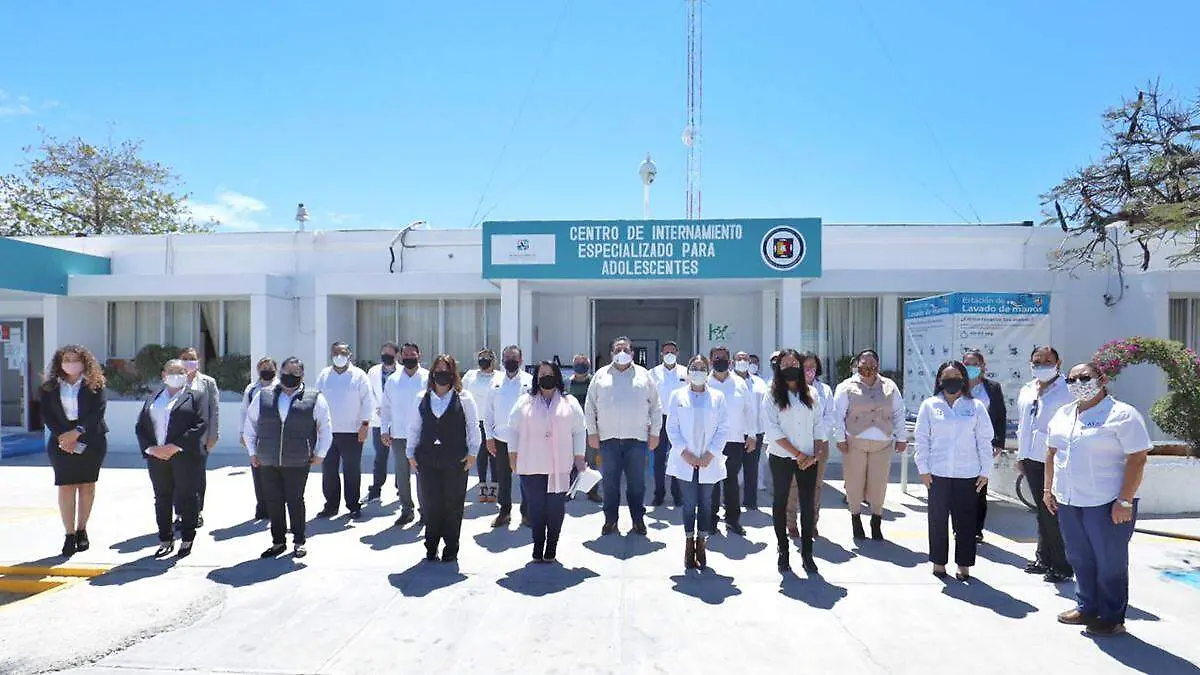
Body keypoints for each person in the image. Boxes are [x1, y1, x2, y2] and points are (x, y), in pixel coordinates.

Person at [1045, 362, 1151, 637]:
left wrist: (1125, 501)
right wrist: (1048, 490)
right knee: (1079, 557)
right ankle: (1087, 607)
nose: (1079, 383)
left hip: (1107, 503)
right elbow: (1052, 452)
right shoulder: (1063, 414)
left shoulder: (1122, 414)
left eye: (1085, 377)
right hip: (1069, 499)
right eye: (1072, 379)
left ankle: (1111, 616)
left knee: (1109, 561)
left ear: (1101, 379)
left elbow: (1138, 458)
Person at [244, 357, 333, 559]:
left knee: (295, 500)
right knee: (273, 501)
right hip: (268, 459)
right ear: (280, 372)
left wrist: (320, 454)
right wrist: (252, 451)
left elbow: (325, 428)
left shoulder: (314, 398)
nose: (289, 377)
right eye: (286, 372)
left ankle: (299, 541)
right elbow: (250, 425)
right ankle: (277, 542)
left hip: (298, 459)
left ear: (302, 375)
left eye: (295, 374)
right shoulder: (263, 396)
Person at [914, 361, 993, 581]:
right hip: (937, 473)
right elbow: (922, 439)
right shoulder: (930, 405)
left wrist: (985, 471)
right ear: (939, 380)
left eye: (956, 375)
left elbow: (984, 441)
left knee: (965, 523)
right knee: (938, 520)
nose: (952, 380)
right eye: (947, 376)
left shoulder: (975, 406)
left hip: (967, 474)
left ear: (964, 379)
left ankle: (964, 565)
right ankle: (939, 562)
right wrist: (923, 469)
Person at [508, 360, 587, 562]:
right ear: (536, 378)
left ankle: (551, 547)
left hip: (559, 467)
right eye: (542, 374)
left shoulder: (569, 402)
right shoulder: (525, 401)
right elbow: (513, 429)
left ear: (557, 376)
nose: (546, 377)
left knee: (555, 509)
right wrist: (512, 455)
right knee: (536, 508)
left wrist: (579, 457)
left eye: (550, 373)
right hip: (531, 465)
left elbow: (579, 431)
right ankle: (537, 545)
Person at [584, 336, 662, 536]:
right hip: (608, 440)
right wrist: (592, 432)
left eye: (626, 349)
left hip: (636, 440)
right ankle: (610, 520)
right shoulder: (600, 375)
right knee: (610, 483)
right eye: (617, 349)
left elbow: (655, 406)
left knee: (637, 483)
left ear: (632, 353)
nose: (622, 353)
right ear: (611, 353)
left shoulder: (644, 375)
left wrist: (654, 433)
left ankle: (638, 520)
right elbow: (590, 406)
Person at [407, 354, 480, 563]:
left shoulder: (464, 398)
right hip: (427, 459)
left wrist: (473, 453)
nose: (442, 373)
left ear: (453, 373)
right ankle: (431, 546)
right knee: (431, 504)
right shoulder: (421, 397)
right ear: (432, 373)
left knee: (453, 504)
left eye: (446, 369)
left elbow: (473, 428)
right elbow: (414, 427)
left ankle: (451, 547)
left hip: (454, 460)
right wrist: (410, 453)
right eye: (438, 369)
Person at [761, 349, 827, 574]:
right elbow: (773, 430)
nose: (790, 366)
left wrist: (816, 453)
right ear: (778, 368)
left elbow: (819, 426)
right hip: (782, 458)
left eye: (794, 363)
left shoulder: (811, 393)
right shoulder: (771, 395)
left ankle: (807, 553)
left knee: (807, 506)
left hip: (809, 459)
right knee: (780, 503)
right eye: (785, 363)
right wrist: (799, 455)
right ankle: (783, 550)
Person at [830, 349, 907, 541]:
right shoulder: (846, 386)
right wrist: (839, 439)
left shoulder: (889, 386)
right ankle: (856, 518)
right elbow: (837, 415)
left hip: (882, 442)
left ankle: (876, 519)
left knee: (878, 483)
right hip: (855, 441)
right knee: (854, 482)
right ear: (857, 365)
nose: (867, 370)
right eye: (863, 366)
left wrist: (902, 438)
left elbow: (899, 412)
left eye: (871, 366)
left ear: (877, 366)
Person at [41, 345, 108, 557]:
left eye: (75, 359)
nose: (71, 363)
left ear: (84, 362)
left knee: (87, 486)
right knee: (66, 486)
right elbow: (46, 414)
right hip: (60, 440)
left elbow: (98, 411)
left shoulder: (94, 384)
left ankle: (82, 530)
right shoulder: (50, 386)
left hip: (91, 439)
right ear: (60, 363)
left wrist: (77, 432)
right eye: (66, 359)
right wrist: (64, 436)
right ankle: (69, 534)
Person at [136, 359, 207, 558]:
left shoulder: (196, 396)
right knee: (162, 497)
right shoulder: (153, 397)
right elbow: (141, 426)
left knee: (187, 497)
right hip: (157, 457)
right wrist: (150, 449)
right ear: (163, 375)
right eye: (172, 371)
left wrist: (174, 446)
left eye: (181, 371)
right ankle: (165, 538)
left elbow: (200, 425)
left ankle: (187, 538)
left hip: (185, 456)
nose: (176, 374)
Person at [1016, 346, 1074, 583]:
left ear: (1058, 363)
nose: (1042, 365)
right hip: (1031, 457)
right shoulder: (1027, 389)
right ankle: (1044, 558)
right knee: (1041, 512)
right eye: (1037, 361)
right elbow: (1023, 425)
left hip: (1054, 459)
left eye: (1048, 361)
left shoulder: (1068, 390)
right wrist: (1021, 456)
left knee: (1052, 513)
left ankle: (1062, 565)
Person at [666, 355, 728, 569]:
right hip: (685, 460)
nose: (699, 371)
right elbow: (671, 427)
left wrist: (709, 455)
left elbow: (723, 428)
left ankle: (701, 543)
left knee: (706, 504)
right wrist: (686, 454)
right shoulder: (677, 395)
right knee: (689, 504)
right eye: (695, 367)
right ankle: (688, 543)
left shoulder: (718, 397)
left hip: (709, 460)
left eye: (703, 368)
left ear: (708, 371)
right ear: (688, 371)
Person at [314, 342, 373, 519]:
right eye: (336, 353)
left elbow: (368, 401)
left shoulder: (359, 375)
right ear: (331, 354)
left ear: (349, 354)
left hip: (353, 432)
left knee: (352, 470)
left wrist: (365, 425)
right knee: (329, 470)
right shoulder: (324, 375)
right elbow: (316, 400)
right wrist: (315, 425)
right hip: (328, 432)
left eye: (343, 352)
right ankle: (331, 505)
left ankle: (353, 505)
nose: (339, 356)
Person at [705, 346, 756, 536]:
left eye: (724, 358)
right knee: (712, 481)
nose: (720, 360)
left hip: (734, 439)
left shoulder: (739, 383)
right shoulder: (705, 382)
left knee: (731, 480)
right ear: (710, 361)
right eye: (716, 358)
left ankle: (732, 520)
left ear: (730, 361)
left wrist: (751, 434)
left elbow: (749, 410)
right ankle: (710, 520)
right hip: (710, 440)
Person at [787, 352, 835, 538]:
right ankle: (791, 523)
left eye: (813, 366)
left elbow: (830, 416)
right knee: (793, 485)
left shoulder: (825, 390)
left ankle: (812, 522)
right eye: (805, 366)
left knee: (815, 486)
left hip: (819, 444)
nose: (809, 370)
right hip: (795, 444)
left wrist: (818, 437)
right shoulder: (789, 389)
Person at [379, 343, 428, 527]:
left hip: (422, 435)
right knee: (402, 474)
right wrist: (384, 429)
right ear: (400, 357)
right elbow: (386, 407)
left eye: (412, 354)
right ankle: (407, 510)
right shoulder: (393, 380)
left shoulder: (427, 377)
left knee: (422, 474)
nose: (409, 357)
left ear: (419, 355)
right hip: (398, 434)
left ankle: (425, 511)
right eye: (405, 354)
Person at [485, 345, 533, 528]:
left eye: (513, 358)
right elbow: (488, 412)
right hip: (501, 438)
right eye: (506, 357)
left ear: (521, 360)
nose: (510, 361)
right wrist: (489, 437)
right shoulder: (495, 382)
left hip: (525, 439)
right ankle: (504, 512)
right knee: (502, 478)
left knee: (526, 477)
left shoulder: (529, 381)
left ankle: (527, 513)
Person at [963, 349, 1008, 543]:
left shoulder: (992, 388)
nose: (970, 368)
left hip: (983, 445)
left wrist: (999, 442)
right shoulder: (956, 386)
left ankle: (976, 529)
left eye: (974, 364)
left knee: (980, 488)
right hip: (960, 444)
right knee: (959, 489)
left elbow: (1000, 415)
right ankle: (960, 526)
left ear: (982, 366)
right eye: (967, 364)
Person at [179, 347, 219, 530]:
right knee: (177, 477)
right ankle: (179, 513)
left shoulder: (208, 383)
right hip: (177, 438)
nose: (189, 361)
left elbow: (214, 410)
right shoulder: (174, 380)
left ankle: (197, 512)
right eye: (185, 358)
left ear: (199, 360)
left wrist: (212, 435)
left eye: (192, 358)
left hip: (200, 438)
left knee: (197, 477)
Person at [649, 341, 687, 507]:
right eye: (666, 352)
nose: (669, 354)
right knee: (658, 460)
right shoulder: (653, 373)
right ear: (661, 354)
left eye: (672, 351)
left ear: (678, 353)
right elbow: (648, 398)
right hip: (660, 419)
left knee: (678, 456)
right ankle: (659, 493)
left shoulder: (685, 372)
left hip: (680, 419)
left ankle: (677, 493)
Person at [241, 358, 278, 520]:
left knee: (274, 473)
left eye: (269, 367)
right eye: (263, 367)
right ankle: (262, 506)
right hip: (256, 435)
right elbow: (244, 411)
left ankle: (275, 505)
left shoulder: (281, 387)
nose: (266, 370)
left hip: (276, 436)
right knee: (258, 472)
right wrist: (242, 433)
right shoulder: (251, 389)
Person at [365, 342, 400, 503]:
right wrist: (376, 408)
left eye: (390, 353)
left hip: (399, 420)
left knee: (401, 456)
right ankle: (376, 489)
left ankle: (401, 488)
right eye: (383, 353)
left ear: (396, 355)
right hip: (379, 420)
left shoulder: (402, 372)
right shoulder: (373, 372)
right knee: (380, 455)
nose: (386, 356)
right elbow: (369, 393)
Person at [463, 348, 499, 503]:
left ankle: (495, 488)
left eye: (487, 357)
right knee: (481, 455)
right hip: (477, 420)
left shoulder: (499, 376)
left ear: (493, 360)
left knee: (495, 456)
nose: (483, 360)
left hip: (494, 421)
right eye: (481, 357)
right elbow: (462, 393)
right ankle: (482, 485)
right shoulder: (471, 375)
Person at [735, 350, 768, 511]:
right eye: (739, 358)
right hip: (733, 432)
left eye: (745, 358)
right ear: (733, 362)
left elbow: (764, 408)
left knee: (751, 467)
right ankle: (730, 503)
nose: (742, 361)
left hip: (756, 431)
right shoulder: (728, 381)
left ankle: (750, 501)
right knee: (731, 469)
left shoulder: (759, 383)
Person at [568, 354, 602, 503]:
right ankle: (568, 491)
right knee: (568, 462)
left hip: (589, 428)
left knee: (590, 461)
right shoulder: (566, 384)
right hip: (569, 428)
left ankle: (592, 491)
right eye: (578, 363)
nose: (580, 366)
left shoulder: (595, 383)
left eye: (583, 363)